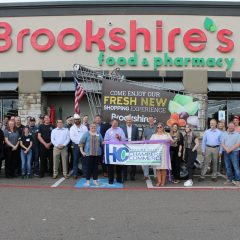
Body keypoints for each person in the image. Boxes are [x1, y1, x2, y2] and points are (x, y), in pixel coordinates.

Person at [104, 118, 126, 184]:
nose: (115, 124)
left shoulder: (120, 130)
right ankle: (111, 180)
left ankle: (119, 179)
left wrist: (119, 137)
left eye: (116, 123)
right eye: (114, 123)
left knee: (119, 166)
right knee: (111, 166)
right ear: (111, 123)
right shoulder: (108, 131)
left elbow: (124, 140)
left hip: (119, 150)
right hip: (111, 150)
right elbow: (105, 140)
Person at [150, 122, 173, 187]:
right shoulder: (154, 135)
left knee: (164, 168)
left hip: (165, 153)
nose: (159, 128)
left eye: (160, 127)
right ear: (156, 128)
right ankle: (159, 181)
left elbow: (172, 142)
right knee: (158, 168)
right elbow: (150, 143)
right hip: (157, 154)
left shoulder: (167, 135)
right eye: (158, 127)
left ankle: (163, 181)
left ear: (163, 128)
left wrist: (169, 141)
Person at [120, 114, 139, 181]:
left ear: (132, 121)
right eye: (128, 120)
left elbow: (137, 138)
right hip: (124, 147)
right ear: (126, 120)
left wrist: (137, 146)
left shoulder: (135, 127)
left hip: (133, 147)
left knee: (133, 163)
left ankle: (132, 176)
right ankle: (124, 177)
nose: (129, 121)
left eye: (130, 120)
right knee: (125, 163)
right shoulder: (121, 127)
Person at [221, 122, 240, 186]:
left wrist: (230, 149)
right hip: (226, 152)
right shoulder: (224, 134)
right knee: (227, 166)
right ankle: (229, 179)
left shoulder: (237, 134)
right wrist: (227, 149)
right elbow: (222, 143)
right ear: (228, 126)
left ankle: (237, 180)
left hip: (234, 152)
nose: (231, 127)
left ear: (234, 126)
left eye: (232, 126)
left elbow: (238, 144)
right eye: (229, 126)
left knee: (236, 166)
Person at [70, 114, 88, 179]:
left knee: (84, 160)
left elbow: (86, 136)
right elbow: (72, 138)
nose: (76, 121)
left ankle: (85, 173)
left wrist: (82, 143)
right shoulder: (72, 128)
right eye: (75, 120)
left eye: (77, 119)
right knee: (75, 160)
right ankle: (75, 174)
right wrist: (80, 143)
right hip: (76, 146)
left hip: (84, 146)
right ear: (74, 120)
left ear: (80, 119)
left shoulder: (84, 127)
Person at [142, 115, 157, 180]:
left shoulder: (157, 128)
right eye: (149, 119)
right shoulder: (146, 128)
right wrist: (144, 145)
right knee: (146, 161)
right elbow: (143, 138)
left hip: (155, 147)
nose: (151, 120)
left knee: (155, 162)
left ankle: (156, 176)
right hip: (147, 147)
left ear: (154, 120)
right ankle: (146, 175)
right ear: (148, 121)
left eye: (152, 119)